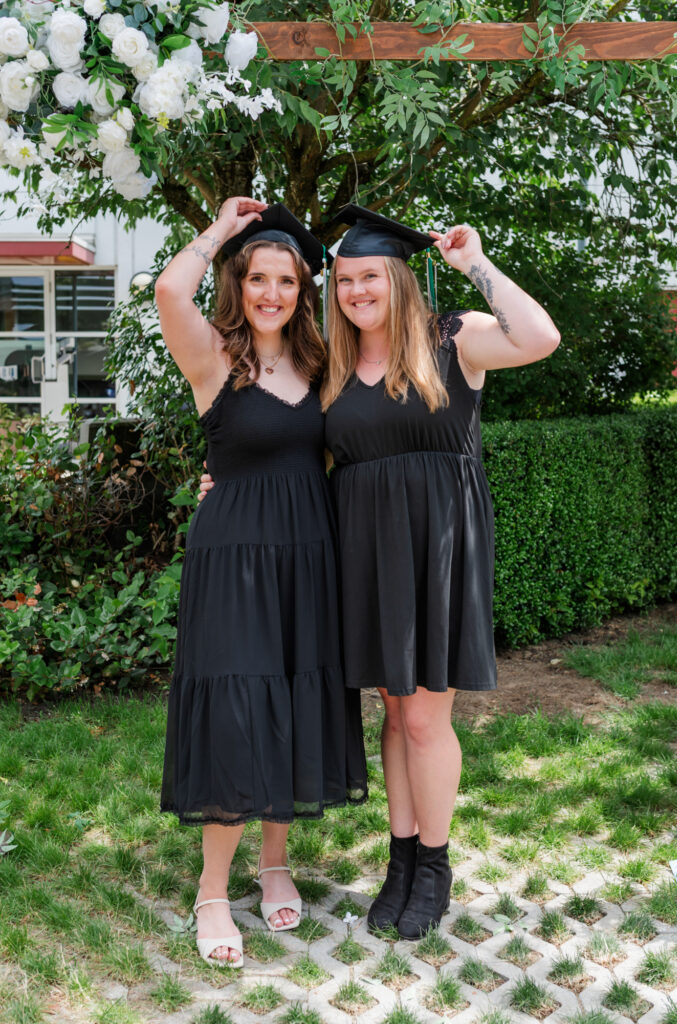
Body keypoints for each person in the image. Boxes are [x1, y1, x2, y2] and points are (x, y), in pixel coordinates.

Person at [199, 204, 560, 940]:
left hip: (437, 542)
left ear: (398, 279)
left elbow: (540, 337)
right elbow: (275, 434)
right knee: (394, 710)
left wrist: (475, 263)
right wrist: (221, 479)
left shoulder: (452, 339)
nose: (356, 290)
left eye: (369, 277)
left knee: (426, 716)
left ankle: (433, 864)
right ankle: (400, 860)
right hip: (360, 544)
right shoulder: (331, 362)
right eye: (343, 280)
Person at [156, 198, 367, 968]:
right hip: (235, 558)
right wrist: (219, 230)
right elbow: (168, 293)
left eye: (286, 280)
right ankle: (214, 890)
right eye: (258, 278)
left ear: (300, 290)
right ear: (239, 283)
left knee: (292, 697)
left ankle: (274, 861)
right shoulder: (212, 357)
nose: (272, 293)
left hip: (308, 555)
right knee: (239, 711)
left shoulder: (319, 363)